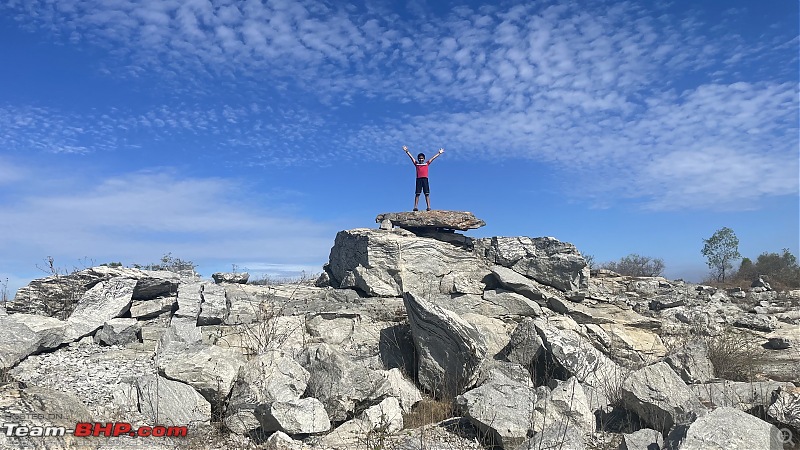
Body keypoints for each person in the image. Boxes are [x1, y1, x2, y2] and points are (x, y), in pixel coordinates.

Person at [403, 145, 444, 211]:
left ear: (424, 159)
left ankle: (428, 207)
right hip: (418, 179)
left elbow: (433, 158)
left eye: (422, 158)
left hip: (425, 179)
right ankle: (415, 207)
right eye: (419, 158)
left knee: (426, 193)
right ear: (418, 159)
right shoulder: (416, 164)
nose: (421, 159)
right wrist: (407, 151)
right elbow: (411, 157)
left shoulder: (426, 164)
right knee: (417, 194)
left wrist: (439, 153)